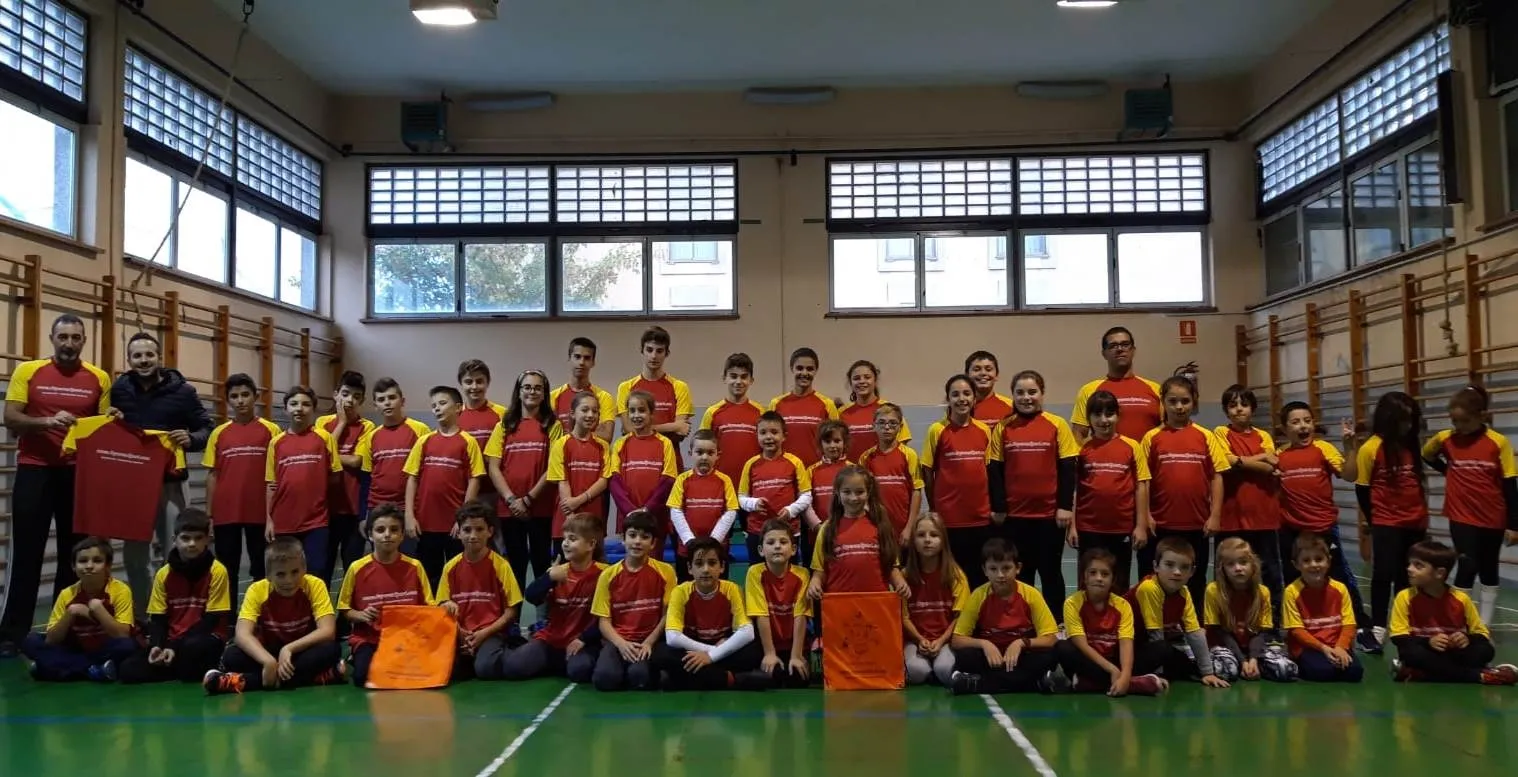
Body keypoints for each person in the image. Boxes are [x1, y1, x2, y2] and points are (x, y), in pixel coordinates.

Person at [1, 313, 111, 657]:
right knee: (26, 554)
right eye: (63, 337)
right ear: (52, 338)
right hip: (34, 470)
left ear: (83, 341)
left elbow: (104, 426)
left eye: (75, 337)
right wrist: (48, 421)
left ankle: (66, 630)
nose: (69, 343)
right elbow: (10, 417)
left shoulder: (99, 377)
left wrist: (114, 423)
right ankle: (12, 634)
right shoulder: (28, 371)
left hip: (78, 474)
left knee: (74, 556)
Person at [110, 331, 213, 621]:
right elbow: (106, 428)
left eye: (149, 355)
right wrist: (111, 419)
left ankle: (175, 616)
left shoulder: (183, 392)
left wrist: (192, 438)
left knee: (177, 551)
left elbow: (207, 428)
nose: (143, 360)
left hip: (172, 483)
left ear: (159, 357)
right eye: (137, 356)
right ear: (129, 360)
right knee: (134, 557)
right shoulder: (119, 390)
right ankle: (143, 618)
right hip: (133, 486)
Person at [1273, 401, 1373, 650]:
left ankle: (1361, 626)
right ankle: (1296, 629)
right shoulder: (1278, 456)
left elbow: (1350, 475)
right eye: (1296, 422)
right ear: (1285, 429)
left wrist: (1350, 448)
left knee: (1341, 578)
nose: (1303, 426)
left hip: (1323, 528)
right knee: (1293, 581)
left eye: (1307, 421)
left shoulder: (1323, 448)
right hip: (1291, 530)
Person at [1420, 385, 1518, 627]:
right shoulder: (1445, 439)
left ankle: (1483, 625)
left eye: (1464, 421)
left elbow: (1510, 484)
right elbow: (1427, 454)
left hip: (1493, 515)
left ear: (1481, 416)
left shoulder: (1498, 442)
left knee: (1488, 567)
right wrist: (1449, 471)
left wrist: (1514, 524)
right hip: (1461, 514)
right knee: (1467, 564)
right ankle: (1459, 622)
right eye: (1454, 421)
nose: (1459, 426)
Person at [990, 370, 1079, 618]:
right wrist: (1000, 507)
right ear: (1013, 395)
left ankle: (1056, 623)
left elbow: (1068, 468)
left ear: (1042, 393)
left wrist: (1065, 507)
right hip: (1015, 518)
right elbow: (995, 469)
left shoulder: (1057, 424)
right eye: (1020, 392)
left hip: (1049, 517)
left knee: (1050, 572)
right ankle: (1025, 621)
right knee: (1022, 574)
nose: (1026, 397)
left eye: (1032, 392)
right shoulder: (1003, 427)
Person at [204, 538, 343, 694]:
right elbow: (242, 634)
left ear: (304, 568)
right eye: (280, 574)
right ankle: (314, 677)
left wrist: (289, 648)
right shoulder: (257, 590)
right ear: (269, 575)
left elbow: (328, 631)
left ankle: (244, 681)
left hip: (299, 652)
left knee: (331, 649)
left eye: (295, 572)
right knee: (232, 656)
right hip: (268, 651)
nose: (289, 580)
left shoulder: (315, 585)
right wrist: (268, 661)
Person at [1137, 376, 1231, 606]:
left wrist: (1215, 516)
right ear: (1163, 402)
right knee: (1153, 582)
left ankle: (1192, 624)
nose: (1179, 407)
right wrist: (1146, 516)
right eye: (1173, 401)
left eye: (1185, 401)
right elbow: (1143, 481)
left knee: (1194, 583)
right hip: (1159, 526)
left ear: (1194, 401)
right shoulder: (1151, 437)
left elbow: (1216, 477)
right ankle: (1151, 624)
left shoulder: (1206, 436)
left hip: (1196, 525)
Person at [118, 510, 230, 684]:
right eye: (185, 538)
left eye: (198, 538)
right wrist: (157, 646)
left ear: (207, 540)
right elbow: (158, 619)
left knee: (193, 649)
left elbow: (211, 620)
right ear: (174, 540)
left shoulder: (217, 571)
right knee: (127, 669)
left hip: (204, 637)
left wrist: (173, 647)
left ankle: (176, 668)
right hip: (172, 642)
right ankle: (178, 668)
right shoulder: (163, 574)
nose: (192, 544)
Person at [1355, 391, 1429, 650]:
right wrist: (1374, 520)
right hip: (1386, 521)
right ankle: (1377, 628)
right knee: (1383, 573)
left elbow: (1417, 481)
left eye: (1411, 421)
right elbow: (1362, 489)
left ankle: (1404, 625)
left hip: (1415, 521)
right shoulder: (1371, 448)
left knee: (1408, 576)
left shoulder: (1411, 445)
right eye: (1402, 421)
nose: (1407, 426)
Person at [1389, 540, 1517, 685]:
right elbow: (1398, 637)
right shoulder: (1405, 597)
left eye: (1418, 566)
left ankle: (1419, 674)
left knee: (1486, 650)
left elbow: (1481, 634)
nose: (1409, 569)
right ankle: (1480, 676)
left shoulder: (1461, 599)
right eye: (1410, 564)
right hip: (1426, 651)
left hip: (1453, 653)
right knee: (1411, 653)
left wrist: (1466, 638)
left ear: (1439, 573)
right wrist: (1428, 642)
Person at [203, 374, 281, 601]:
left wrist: (274, 513)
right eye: (234, 396)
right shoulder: (219, 433)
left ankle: (260, 613)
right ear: (228, 400)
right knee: (227, 569)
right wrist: (209, 515)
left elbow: (278, 474)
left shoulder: (272, 430)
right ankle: (227, 618)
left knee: (261, 568)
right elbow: (213, 475)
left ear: (255, 397)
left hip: (260, 513)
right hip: (226, 513)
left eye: (245, 395)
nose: (240, 401)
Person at [947, 538, 1059, 696]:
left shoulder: (1031, 595)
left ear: (1018, 568)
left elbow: (1051, 638)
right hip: (991, 659)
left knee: (1049, 656)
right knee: (966, 656)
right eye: (993, 569)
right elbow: (957, 640)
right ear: (985, 570)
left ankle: (979, 684)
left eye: (1006, 568)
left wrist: (1021, 643)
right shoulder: (978, 595)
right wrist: (985, 644)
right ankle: (1032, 683)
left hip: (1021, 658)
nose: (1000, 575)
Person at [337, 505, 433, 687]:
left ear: (402, 535)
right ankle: (356, 657)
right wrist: (361, 615)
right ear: (370, 535)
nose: (387, 535)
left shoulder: (415, 567)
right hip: (369, 639)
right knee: (363, 677)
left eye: (394, 530)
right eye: (380, 530)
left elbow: (429, 607)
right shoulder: (356, 569)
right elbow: (344, 610)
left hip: (407, 639)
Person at [504, 513, 606, 682]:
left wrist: (584, 639)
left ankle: (565, 663)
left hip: (582, 642)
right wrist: (549, 578)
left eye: (572, 539)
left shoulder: (604, 574)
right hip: (551, 640)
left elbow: (606, 617)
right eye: (565, 538)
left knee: (580, 671)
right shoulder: (557, 572)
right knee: (513, 667)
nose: (565, 543)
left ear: (591, 544)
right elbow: (531, 597)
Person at [655, 537, 767, 691]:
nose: (706, 569)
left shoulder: (732, 589)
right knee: (661, 653)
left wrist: (711, 657)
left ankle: (683, 679)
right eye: (699, 564)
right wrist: (710, 651)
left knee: (753, 652)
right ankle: (730, 679)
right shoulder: (680, 591)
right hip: (695, 648)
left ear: (722, 567)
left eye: (712, 563)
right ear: (689, 568)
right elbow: (673, 637)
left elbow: (747, 632)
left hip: (723, 645)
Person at [485, 369, 563, 587]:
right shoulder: (504, 425)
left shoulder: (552, 425)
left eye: (538, 388)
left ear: (544, 393)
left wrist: (528, 500)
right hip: (509, 509)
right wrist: (512, 500)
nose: (532, 392)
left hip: (540, 508)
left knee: (541, 563)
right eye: (527, 387)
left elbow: (553, 467)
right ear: (519, 392)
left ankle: (542, 609)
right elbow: (493, 467)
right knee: (515, 566)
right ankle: (515, 610)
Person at [1068, 390, 1149, 594]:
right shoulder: (1081, 449)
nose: (1104, 420)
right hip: (1088, 528)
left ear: (1118, 416)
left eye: (1109, 414)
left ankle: (1118, 615)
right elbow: (1075, 489)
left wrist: (1140, 526)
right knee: (1088, 583)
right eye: (1097, 415)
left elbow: (1141, 486)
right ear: (1088, 418)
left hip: (1121, 528)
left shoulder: (1132, 446)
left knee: (1118, 583)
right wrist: (1073, 526)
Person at [404, 386, 486, 587]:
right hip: (425, 525)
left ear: (458, 408)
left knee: (456, 577)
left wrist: (463, 519)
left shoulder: (468, 442)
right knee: (429, 577)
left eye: (442, 403)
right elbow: (412, 478)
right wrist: (409, 515)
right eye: (434, 406)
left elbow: (474, 480)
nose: (437, 409)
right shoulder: (424, 441)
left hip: (454, 527)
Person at [21, 537, 136, 682]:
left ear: (108, 566)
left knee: (127, 646)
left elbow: (122, 635)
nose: (89, 566)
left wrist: (98, 610)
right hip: (75, 649)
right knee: (31, 642)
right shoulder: (67, 594)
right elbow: (51, 640)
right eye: (82, 561)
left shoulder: (120, 590)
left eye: (97, 561)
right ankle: (94, 669)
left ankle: (55, 668)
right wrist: (70, 613)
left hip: (104, 648)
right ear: (74, 567)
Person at [1058, 548, 1169, 696]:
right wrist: (1111, 670)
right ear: (1084, 577)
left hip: (1116, 659)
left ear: (1113, 579)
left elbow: (1126, 643)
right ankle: (1136, 684)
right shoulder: (1072, 603)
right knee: (1063, 648)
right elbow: (1082, 645)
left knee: (1162, 648)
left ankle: (1091, 684)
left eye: (1105, 574)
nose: (1099, 578)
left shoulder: (1122, 606)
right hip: (1091, 661)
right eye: (1093, 573)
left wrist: (1125, 676)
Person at [1212, 385, 1283, 613]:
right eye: (1233, 405)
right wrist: (1260, 458)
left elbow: (1270, 467)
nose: (1239, 409)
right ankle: (1225, 618)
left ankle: (1272, 620)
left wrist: (1239, 461)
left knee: (1269, 572)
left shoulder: (1263, 435)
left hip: (1264, 518)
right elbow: (1226, 461)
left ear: (1253, 408)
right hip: (1231, 518)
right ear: (1226, 410)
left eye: (1244, 404)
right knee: (1228, 572)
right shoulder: (1220, 433)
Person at [921, 376, 995, 589]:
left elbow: (988, 470)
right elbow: (927, 471)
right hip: (949, 519)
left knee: (978, 577)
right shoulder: (937, 430)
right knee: (951, 577)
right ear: (948, 399)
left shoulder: (984, 430)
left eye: (966, 393)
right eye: (955, 394)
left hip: (980, 518)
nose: (961, 399)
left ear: (974, 398)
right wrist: (934, 508)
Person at [591, 511, 678, 691]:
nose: (637, 541)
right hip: (618, 640)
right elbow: (603, 621)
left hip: (648, 640)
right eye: (632, 535)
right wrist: (621, 644)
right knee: (604, 680)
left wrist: (649, 642)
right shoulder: (608, 575)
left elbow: (667, 615)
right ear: (623, 539)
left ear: (653, 543)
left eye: (645, 537)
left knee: (639, 677)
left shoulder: (666, 572)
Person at [437, 501, 524, 681]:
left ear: (490, 532)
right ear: (458, 532)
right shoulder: (450, 568)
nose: (473, 536)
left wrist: (484, 634)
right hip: (460, 633)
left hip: (491, 633)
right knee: (443, 669)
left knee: (486, 669)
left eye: (479, 529)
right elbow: (442, 606)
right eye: (467, 530)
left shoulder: (501, 566)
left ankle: (509, 649)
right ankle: (472, 658)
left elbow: (511, 611)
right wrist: (460, 632)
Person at [1127, 537, 1229, 688]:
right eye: (1169, 565)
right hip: (1125, 649)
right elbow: (1155, 636)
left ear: (1192, 572)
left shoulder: (1184, 592)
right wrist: (1159, 675)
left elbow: (1194, 633)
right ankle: (1141, 677)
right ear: (1156, 566)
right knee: (1164, 650)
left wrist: (1207, 673)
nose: (1177, 572)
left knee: (1188, 665)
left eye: (1184, 567)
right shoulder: (1150, 588)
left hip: (1148, 647)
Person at [264, 386, 343, 577]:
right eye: (294, 404)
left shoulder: (324, 438)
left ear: (313, 409)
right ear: (285, 409)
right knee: (285, 574)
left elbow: (335, 476)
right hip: (284, 523)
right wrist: (269, 520)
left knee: (316, 572)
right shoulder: (276, 443)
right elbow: (271, 484)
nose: (299, 408)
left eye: (306, 404)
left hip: (316, 522)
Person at [806, 465, 910, 598]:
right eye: (847, 492)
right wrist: (815, 582)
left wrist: (900, 582)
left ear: (868, 492)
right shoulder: (828, 528)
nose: (853, 498)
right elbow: (819, 570)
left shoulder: (881, 525)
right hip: (838, 603)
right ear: (837, 492)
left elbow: (891, 566)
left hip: (877, 602)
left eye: (859, 492)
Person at [1204, 538, 1293, 683]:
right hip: (1223, 644)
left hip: (1254, 647)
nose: (1238, 568)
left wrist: (1253, 659)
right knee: (1228, 671)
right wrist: (1242, 661)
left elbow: (1261, 632)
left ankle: (1254, 666)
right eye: (1231, 564)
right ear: (1222, 569)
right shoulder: (1213, 591)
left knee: (1286, 670)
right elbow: (1219, 631)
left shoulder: (1262, 592)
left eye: (1243, 562)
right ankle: (1241, 665)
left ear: (1253, 565)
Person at [317, 370, 374, 586]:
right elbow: (320, 456)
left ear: (362, 401)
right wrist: (341, 423)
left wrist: (328, 458)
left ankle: (349, 608)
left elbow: (357, 461)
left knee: (352, 567)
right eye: (345, 394)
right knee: (323, 567)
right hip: (326, 510)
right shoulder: (323, 422)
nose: (350, 400)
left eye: (356, 397)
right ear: (335, 394)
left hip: (353, 510)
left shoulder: (367, 426)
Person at [1281, 533, 1364, 683]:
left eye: (1319, 559)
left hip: (1335, 645)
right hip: (1308, 647)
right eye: (1306, 560)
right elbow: (1296, 630)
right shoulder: (1291, 592)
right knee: (1321, 671)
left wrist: (1341, 647)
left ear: (1328, 561)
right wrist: (1323, 648)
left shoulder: (1340, 589)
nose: (1314, 565)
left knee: (1355, 672)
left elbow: (1349, 624)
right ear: (1296, 565)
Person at [901, 513, 969, 686]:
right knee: (917, 671)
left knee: (945, 669)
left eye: (934, 535)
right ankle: (926, 670)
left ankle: (936, 670)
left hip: (945, 640)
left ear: (943, 540)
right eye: (921, 535)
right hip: (915, 640)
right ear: (913, 541)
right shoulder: (905, 577)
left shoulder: (956, 576)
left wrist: (941, 641)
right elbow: (903, 617)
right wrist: (919, 639)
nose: (927, 540)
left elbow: (960, 617)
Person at [744, 519, 812, 688]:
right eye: (770, 542)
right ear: (761, 550)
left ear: (793, 549)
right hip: (767, 643)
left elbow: (800, 616)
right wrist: (769, 653)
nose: (777, 546)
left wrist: (796, 655)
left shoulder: (802, 574)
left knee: (798, 679)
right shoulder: (755, 573)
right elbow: (761, 615)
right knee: (770, 678)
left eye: (783, 542)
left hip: (793, 644)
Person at [609, 390, 680, 551]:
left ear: (651, 413)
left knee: (654, 560)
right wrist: (631, 511)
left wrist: (647, 509)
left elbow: (668, 480)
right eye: (632, 411)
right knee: (633, 558)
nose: (636, 415)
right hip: (628, 515)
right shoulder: (621, 444)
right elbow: (614, 481)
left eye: (641, 410)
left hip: (656, 516)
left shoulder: (664, 443)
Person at [739, 412, 813, 564]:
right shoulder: (750, 464)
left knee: (788, 572)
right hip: (757, 531)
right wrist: (754, 503)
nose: (768, 437)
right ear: (757, 435)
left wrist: (791, 510)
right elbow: (741, 498)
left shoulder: (795, 462)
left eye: (774, 432)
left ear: (784, 436)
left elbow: (806, 495)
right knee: (758, 572)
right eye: (763, 432)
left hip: (788, 530)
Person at [546, 391, 612, 556]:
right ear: (572, 413)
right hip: (566, 518)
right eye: (585, 410)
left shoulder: (603, 446)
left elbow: (603, 480)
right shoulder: (561, 444)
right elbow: (562, 481)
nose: (590, 415)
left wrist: (578, 500)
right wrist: (570, 515)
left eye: (595, 411)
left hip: (593, 520)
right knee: (564, 569)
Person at [356, 377, 432, 520]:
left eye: (392, 397)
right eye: (381, 399)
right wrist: (363, 517)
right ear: (375, 406)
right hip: (377, 508)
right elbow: (366, 479)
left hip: (409, 508)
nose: (387, 403)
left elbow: (429, 473)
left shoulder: (420, 430)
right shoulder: (371, 437)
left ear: (402, 401)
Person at [668, 429, 740, 578]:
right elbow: (675, 511)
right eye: (699, 452)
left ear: (717, 455)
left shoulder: (724, 480)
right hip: (687, 550)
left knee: (717, 587)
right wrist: (689, 540)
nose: (704, 457)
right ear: (690, 454)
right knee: (687, 587)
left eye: (710, 453)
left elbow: (731, 511)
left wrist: (714, 539)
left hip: (717, 549)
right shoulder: (682, 480)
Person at [1071, 326, 1162, 443]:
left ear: (1133, 350)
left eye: (1125, 344)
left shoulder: (1156, 389)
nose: (1120, 349)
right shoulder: (1089, 390)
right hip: (1104, 455)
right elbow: (1078, 435)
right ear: (1104, 354)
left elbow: (1167, 430)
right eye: (1113, 346)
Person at [616, 326, 693, 462]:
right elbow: (628, 429)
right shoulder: (626, 387)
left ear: (667, 353)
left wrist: (641, 428)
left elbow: (680, 433)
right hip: (636, 460)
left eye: (659, 351)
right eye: (649, 350)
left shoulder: (680, 387)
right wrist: (673, 426)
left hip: (670, 461)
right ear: (642, 351)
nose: (653, 356)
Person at [456, 359, 507, 543]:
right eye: (468, 382)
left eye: (479, 381)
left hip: (495, 493)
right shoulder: (454, 415)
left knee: (499, 545)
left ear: (487, 382)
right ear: (461, 383)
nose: (474, 387)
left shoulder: (502, 414)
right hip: (464, 493)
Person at [858, 403, 923, 543]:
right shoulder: (865, 458)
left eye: (892, 423)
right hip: (876, 527)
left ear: (900, 427)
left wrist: (909, 527)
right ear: (874, 426)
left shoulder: (909, 455)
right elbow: (862, 495)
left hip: (903, 527)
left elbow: (916, 491)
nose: (887, 427)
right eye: (882, 423)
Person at [700, 353, 764, 490]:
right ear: (724, 378)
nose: (738, 381)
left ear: (751, 380)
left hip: (752, 486)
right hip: (720, 486)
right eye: (733, 376)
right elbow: (701, 450)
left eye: (744, 377)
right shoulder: (712, 413)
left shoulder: (760, 413)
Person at [769, 348, 838, 467]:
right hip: (784, 471)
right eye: (799, 368)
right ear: (792, 368)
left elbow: (836, 442)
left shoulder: (827, 404)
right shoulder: (776, 404)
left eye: (810, 369)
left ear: (816, 370)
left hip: (816, 471)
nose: (804, 373)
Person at [838, 360, 911, 463]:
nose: (862, 381)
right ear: (851, 383)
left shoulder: (889, 409)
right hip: (851, 471)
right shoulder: (842, 413)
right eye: (856, 378)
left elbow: (902, 444)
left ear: (875, 380)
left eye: (867, 377)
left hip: (881, 470)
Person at [551, 337, 617, 441]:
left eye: (587, 358)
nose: (581, 362)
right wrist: (592, 432)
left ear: (593, 362)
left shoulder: (604, 397)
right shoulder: (552, 397)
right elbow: (549, 436)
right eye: (577, 357)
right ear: (569, 358)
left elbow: (606, 436)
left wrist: (568, 434)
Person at [803, 420, 852, 545]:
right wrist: (817, 526)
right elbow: (806, 504)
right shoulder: (811, 471)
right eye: (827, 441)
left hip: (847, 533)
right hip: (818, 535)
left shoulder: (853, 469)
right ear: (820, 444)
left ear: (845, 442)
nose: (832, 445)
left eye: (837, 441)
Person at [965, 351, 1013, 424]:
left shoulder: (1012, 407)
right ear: (967, 375)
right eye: (977, 369)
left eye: (988, 369)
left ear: (996, 375)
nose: (983, 373)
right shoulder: (956, 408)